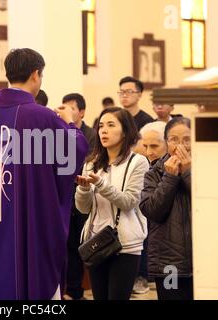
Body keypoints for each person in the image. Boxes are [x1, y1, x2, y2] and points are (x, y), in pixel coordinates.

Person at [0, 48, 88, 300]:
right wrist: (70, 124)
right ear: (35, 74)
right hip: (30, 224)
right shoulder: (41, 116)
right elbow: (73, 152)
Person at [75, 107, 149, 300]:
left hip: (125, 244)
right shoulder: (92, 163)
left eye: (110, 125)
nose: (103, 131)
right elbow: (83, 208)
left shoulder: (138, 162)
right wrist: (83, 189)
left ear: (125, 130)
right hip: (96, 241)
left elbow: (129, 202)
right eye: (100, 126)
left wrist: (100, 184)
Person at [140, 117, 193, 300]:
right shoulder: (154, 173)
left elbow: (213, 207)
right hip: (169, 264)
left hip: (204, 259)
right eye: (174, 140)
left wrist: (188, 174)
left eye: (187, 139)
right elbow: (152, 210)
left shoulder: (207, 168)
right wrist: (170, 178)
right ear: (167, 142)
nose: (181, 146)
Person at [61, 92, 96, 300]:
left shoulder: (90, 134)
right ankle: (73, 291)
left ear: (81, 112)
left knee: (88, 246)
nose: (66, 112)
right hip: (67, 199)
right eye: (64, 107)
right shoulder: (61, 131)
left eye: (71, 108)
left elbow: (85, 159)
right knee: (70, 248)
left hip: (85, 196)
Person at [132, 121, 167, 295]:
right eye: (145, 146)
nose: (149, 152)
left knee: (173, 289)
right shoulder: (148, 169)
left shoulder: (175, 171)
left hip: (173, 254)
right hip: (156, 250)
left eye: (154, 146)